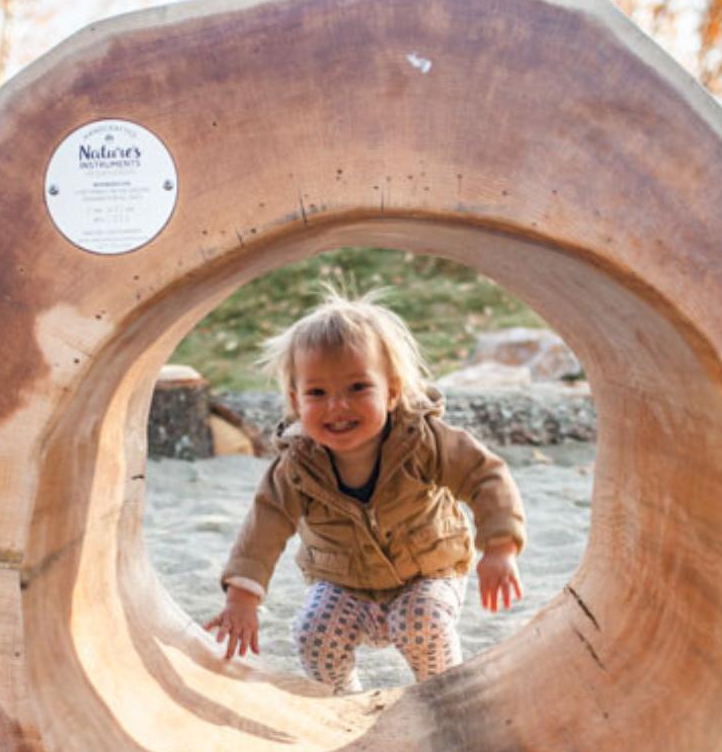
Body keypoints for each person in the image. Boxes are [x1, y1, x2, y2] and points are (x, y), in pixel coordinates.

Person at [205, 286, 526, 693]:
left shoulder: (424, 441)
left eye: (357, 387)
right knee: (313, 632)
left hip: (428, 572)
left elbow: (485, 476)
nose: (337, 406)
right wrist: (242, 597)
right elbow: (265, 523)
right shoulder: (297, 466)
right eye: (317, 393)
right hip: (344, 583)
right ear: (296, 401)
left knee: (422, 623)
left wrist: (499, 547)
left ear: (391, 391)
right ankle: (345, 701)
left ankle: (441, 692)